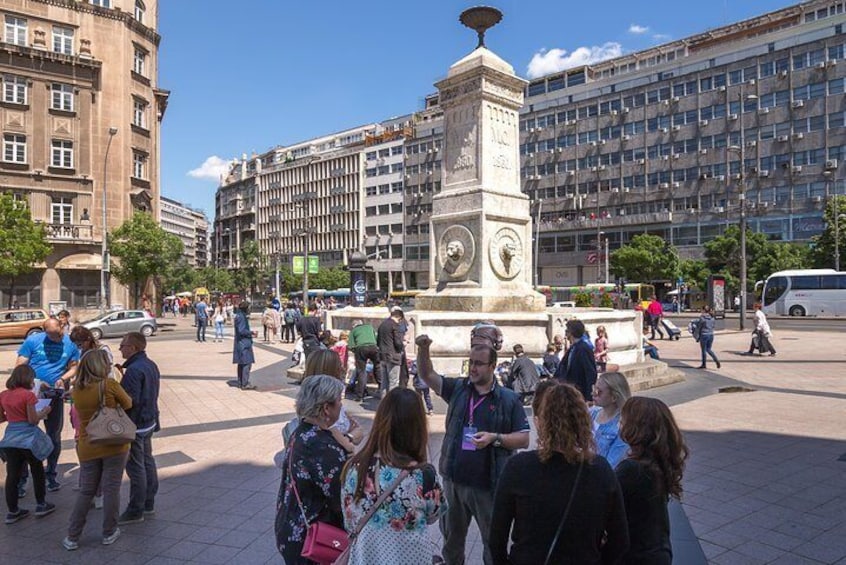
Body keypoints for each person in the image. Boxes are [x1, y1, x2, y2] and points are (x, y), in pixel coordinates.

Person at [416, 331, 531, 565]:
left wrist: (495, 438)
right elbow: (427, 375)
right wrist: (423, 349)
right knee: (451, 543)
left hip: (488, 487)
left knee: (492, 544)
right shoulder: (458, 389)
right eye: (471, 363)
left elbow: (524, 439)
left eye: (479, 364)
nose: (473, 368)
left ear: (492, 366)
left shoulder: (508, 400)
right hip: (453, 482)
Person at [489, 383, 629, 565]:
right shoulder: (600, 470)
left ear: (541, 423)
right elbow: (620, 540)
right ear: (584, 423)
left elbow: (496, 538)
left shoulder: (518, 467)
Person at [340, 388, 445, 564]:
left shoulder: (354, 469)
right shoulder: (422, 475)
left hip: (365, 558)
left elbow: (349, 520)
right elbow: (434, 514)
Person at [62, 350, 133, 551]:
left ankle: (72, 536)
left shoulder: (77, 390)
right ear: (101, 366)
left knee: (86, 491)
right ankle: (109, 532)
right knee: (111, 489)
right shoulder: (109, 385)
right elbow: (128, 403)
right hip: (114, 443)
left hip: (87, 444)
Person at [275, 375, 347, 564]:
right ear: (326, 408)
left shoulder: (301, 432)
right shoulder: (322, 446)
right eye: (339, 401)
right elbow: (341, 495)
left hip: (291, 526)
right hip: (313, 539)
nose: (341, 405)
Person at [617, 397, 689, 564]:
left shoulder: (632, 470)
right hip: (657, 551)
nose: (619, 422)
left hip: (637, 555)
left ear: (636, 427)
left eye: (623, 418)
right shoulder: (657, 463)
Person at [16, 317, 80, 493]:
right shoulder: (33, 340)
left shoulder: (70, 343)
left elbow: (74, 367)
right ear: (45, 331)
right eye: (50, 335)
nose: (54, 339)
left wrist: (63, 379)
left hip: (54, 395)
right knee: (25, 434)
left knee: (54, 434)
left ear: (62, 326)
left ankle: (50, 474)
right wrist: (34, 382)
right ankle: (22, 479)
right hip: (32, 393)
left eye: (57, 335)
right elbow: (20, 367)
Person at [0, 365, 56, 524]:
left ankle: (13, 511)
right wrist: (45, 411)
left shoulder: (3, 395)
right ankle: (41, 504)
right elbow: (32, 420)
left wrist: (13, 415)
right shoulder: (28, 396)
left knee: (12, 475)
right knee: (37, 469)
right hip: (28, 439)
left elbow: (1, 418)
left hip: (10, 439)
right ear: (28, 378)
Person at [116, 332, 161, 525]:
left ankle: (136, 509)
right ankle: (149, 502)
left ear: (133, 348)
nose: (120, 348)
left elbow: (129, 401)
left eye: (123, 345)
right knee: (147, 461)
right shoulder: (150, 364)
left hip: (136, 424)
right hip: (149, 420)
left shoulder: (134, 370)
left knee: (136, 467)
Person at [303, 350, 363, 454]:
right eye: (339, 365)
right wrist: (350, 436)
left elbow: (358, 431)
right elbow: (349, 446)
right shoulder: (321, 412)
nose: (342, 369)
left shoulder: (309, 397)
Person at [589, 372, 632, 469]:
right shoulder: (591, 413)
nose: (593, 394)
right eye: (593, 388)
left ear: (614, 397)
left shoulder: (622, 426)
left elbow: (611, 465)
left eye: (598, 391)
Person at [553, 319, 598, 403]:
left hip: (579, 393)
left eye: (567, 331)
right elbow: (563, 368)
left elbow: (590, 372)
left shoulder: (583, 348)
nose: (565, 334)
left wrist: (589, 397)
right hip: (569, 393)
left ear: (572, 332)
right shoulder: (573, 348)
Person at [348, 319, 380, 402]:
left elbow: (351, 345)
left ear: (354, 325)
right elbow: (376, 338)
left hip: (361, 348)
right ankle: (382, 388)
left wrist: (356, 353)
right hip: (373, 347)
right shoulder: (370, 327)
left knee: (361, 371)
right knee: (377, 367)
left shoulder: (354, 330)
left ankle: (360, 396)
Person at [377, 306, 405, 396]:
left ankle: (383, 404)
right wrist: (402, 346)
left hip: (382, 356)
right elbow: (398, 342)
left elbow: (378, 341)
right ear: (399, 317)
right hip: (393, 356)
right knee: (393, 382)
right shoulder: (395, 325)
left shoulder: (382, 325)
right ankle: (392, 405)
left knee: (384, 383)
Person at [233, 301, 257, 390]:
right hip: (244, 343)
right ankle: (245, 383)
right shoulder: (241, 317)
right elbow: (242, 330)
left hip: (240, 343)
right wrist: (251, 333)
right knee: (247, 363)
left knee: (241, 363)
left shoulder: (238, 315)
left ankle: (241, 382)